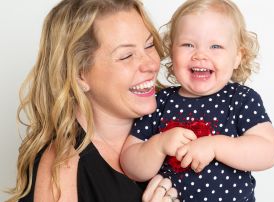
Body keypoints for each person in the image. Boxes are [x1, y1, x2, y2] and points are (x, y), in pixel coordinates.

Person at [7, 0, 180, 201]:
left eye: (149, 45)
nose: (151, 64)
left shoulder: (178, 117)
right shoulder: (62, 164)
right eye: (126, 56)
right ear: (80, 75)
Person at [120, 0, 274, 201]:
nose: (200, 55)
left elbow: (268, 151)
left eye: (216, 46)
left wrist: (215, 146)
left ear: (238, 56)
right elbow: (130, 163)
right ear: (171, 51)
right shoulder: (159, 103)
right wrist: (158, 145)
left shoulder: (240, 99)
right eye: (188, 44)